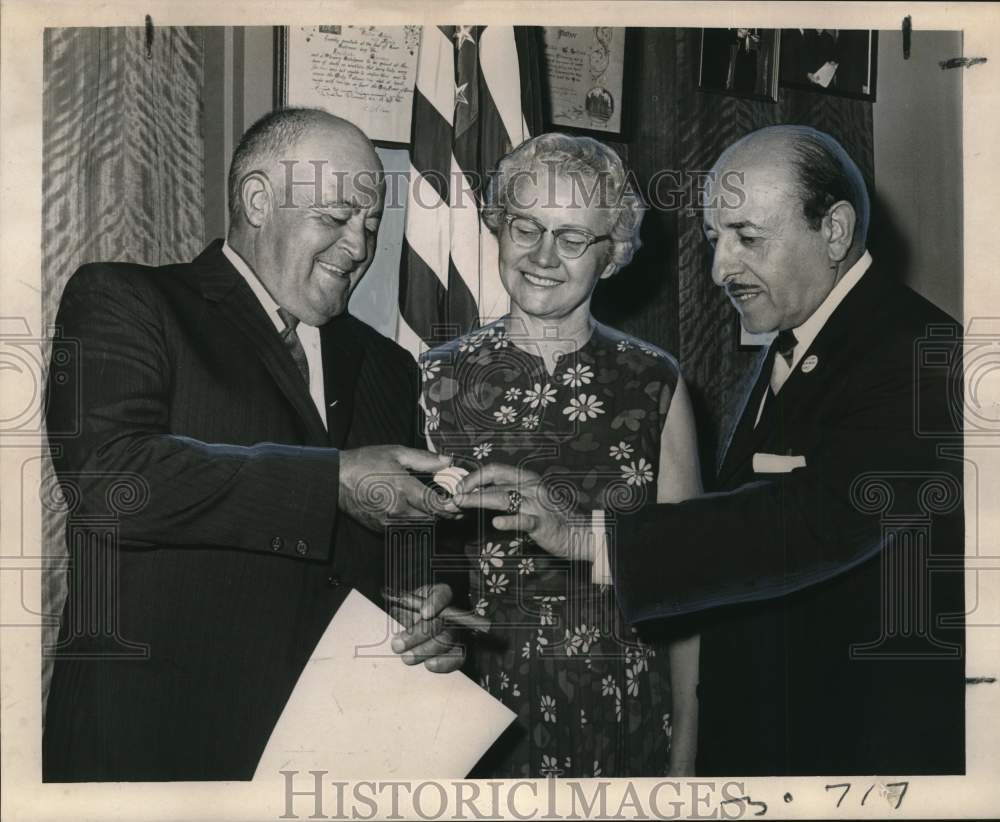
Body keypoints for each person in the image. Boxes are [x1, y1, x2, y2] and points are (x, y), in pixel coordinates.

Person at [453, 125, 965, 776]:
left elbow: (816, 519)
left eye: (748, 238)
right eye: (715, 240)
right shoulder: (799, 341)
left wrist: (590, 536)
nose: (722, 269)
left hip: (860, 760)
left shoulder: (920, 353)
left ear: (834, 232)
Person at [42, 108, 465, 782]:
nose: (358, 247)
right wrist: (329, 480)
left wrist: (434, 611)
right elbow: (109, 481)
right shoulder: (128, 300)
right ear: (258, 200)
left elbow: (407, 550)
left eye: (372, 226)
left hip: (332, 760)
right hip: (156, 752)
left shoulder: (388, 367)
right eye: (335, 217)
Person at [420, 133, 702, 778]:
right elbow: (407, 565)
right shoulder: (434, 378)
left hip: (622, 712)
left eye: (573, 238)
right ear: (499, 226)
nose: (543, 256)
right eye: (527, 227)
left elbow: (690, 579)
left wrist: (686, 750)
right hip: (476, 717)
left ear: (612, 254)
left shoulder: (655, 382)